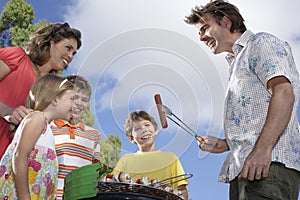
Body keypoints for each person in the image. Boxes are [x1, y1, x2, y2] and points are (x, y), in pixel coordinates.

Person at [185, 0, 300, 199]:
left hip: (268, 166)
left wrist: (262, 151)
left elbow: (283, 93)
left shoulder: (261, 43)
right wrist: (226, 144)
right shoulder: (235, 63)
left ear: (226, 21)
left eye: (205, 28)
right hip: (247, 170)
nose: (202, 37)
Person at [0, 22, 82, 159]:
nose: (70, 56)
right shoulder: (17, 57)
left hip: (10, 164)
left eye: (74, 53)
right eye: (68, 48)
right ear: (51, 41)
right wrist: (8, 111)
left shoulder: (52, 90)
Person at [0, 74, 74, 199]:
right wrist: (24, 197)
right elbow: (20, 155)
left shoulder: (47, 128)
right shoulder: (37, 118)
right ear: (55, 99)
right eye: (72, 99)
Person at [112, 110, 189, 200]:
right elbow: (112, 184)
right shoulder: (126, 160)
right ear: (131, 138)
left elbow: (182, 189)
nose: (144, 130)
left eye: (147, 125)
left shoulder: (170, 158)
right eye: (137, 129)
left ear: (155, 130)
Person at [50, 74, 101, 200]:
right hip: (52, 195)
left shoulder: (93, 134)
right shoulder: (49, 128)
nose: (79, 103)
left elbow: (95, 171)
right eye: (74, 98)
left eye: (84, 100)